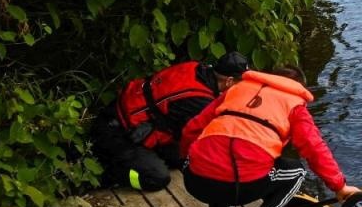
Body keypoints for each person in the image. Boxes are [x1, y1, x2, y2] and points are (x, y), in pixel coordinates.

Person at [181, 66, 358, 207]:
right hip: (241, 187)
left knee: (210, 154)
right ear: (299, 86)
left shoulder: (236, 90)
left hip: (194, 181)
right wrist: (339, 186)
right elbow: (314, 148)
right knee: (297, 171)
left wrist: (188, 159)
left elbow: (191, 129)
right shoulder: (294, 105)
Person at [89, 51, 249, 192]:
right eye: (240, 84)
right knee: (157, 178)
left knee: (181, 158)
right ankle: (109, 174)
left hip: (125, 115)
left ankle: (139, 158)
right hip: (119, 133)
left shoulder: (195, 68)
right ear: (228, 81)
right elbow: (201, 139)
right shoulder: (198, 102)